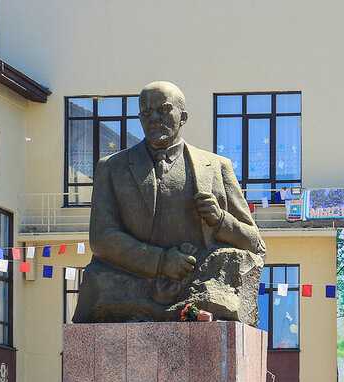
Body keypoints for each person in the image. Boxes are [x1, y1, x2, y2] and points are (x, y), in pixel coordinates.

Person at [72, 81, 265, 323]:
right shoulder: (112, 168)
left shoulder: (216, 167)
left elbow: (255, 244)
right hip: (129, 285)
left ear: (182, 116)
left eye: (163, 110)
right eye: (146, 112)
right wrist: (161, 262)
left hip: (199, 284)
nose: (153, 118)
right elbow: (102, 238)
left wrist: (220, 221)